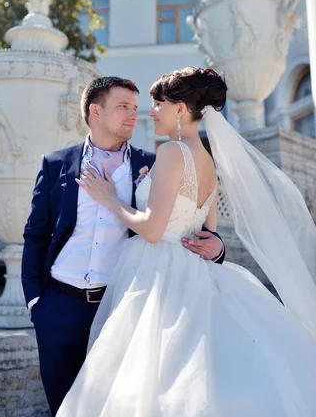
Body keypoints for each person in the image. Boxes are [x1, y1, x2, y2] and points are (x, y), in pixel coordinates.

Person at [57, 67, 316, 417]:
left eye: (157, 104)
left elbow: (150, 230)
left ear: (179, 109)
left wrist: (109, 198)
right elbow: (205, 232)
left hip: (160, 276)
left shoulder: (171, 153)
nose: (151, 112)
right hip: (197, 273)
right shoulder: (208, 160)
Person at [21, 76, 225, 416]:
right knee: (63, 407)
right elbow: (36, 234)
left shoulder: (154, 160)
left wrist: (217, 247)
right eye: (123, 107)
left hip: (123, 306)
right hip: (59, 307)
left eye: (137, 106)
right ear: (95, 111)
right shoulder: (56, 164)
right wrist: (36, 302)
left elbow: (187, 225)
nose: (136, 114)